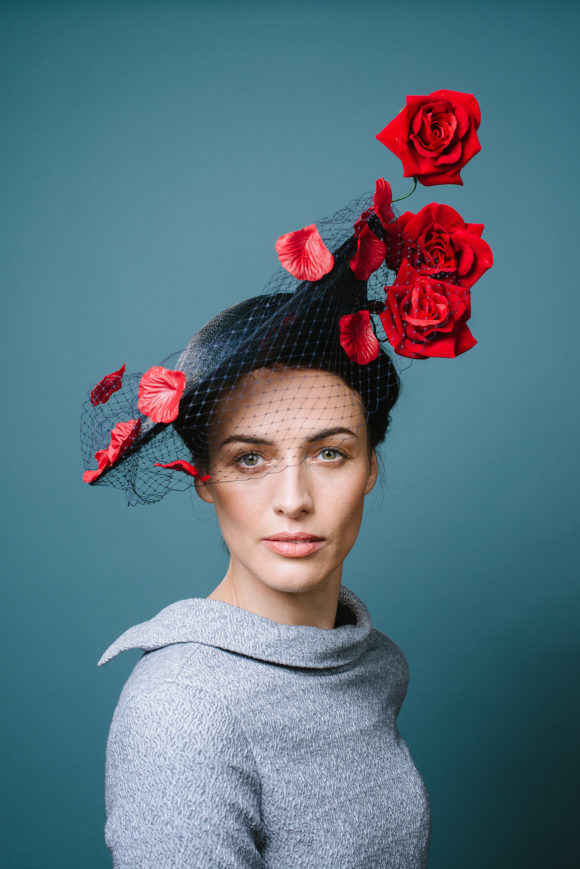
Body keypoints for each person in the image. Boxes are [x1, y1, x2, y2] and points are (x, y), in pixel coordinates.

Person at [82, 94, 491, 863]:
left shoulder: (364, 658)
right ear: (202, 477)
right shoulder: (185, 708)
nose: (294, 497)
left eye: (330, 451)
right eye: (249, 458)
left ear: (372, 464)